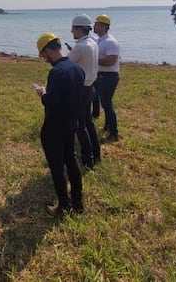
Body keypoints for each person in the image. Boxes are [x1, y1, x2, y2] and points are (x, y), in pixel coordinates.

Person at [33, 33, 84, 216]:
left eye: (43, 55)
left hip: (55, 125)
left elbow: (51, 102)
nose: (44, 59)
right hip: (72, 122)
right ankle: (78, 202)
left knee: (56, 166)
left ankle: (63, 205)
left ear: (48, 50)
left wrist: (43, 94)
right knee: (71, 160)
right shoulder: (77, 69)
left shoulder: (56, 72)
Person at [68, 14, 101, 168]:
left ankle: (88, 159)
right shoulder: (93, 43)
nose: (71, 31)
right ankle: (96, 154)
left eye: (73, 28)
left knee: (80, 126)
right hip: (90, 87)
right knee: (88, 122)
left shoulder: (80, 47)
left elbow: (65, 64)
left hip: (81, 89)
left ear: (79, 29)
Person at [94, 13, 120, 143]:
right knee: (104, 103)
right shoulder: (100, 40)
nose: (95, 26)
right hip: (101, 75)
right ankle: (107, 126)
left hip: (109, 76)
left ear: (104, 26)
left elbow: (111, 61)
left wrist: (94, 61)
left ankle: (114, 133)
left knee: (107, 104)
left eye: (97, 25)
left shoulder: (110, 42)